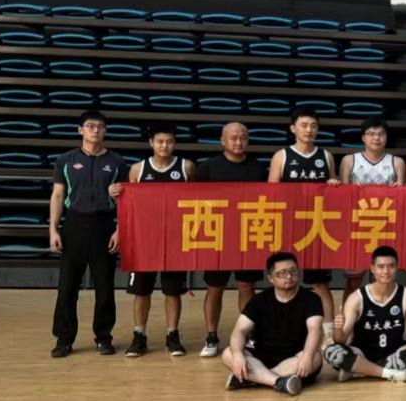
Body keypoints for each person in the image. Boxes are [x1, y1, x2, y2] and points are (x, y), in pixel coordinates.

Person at [49, 110, 127, 358]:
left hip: (104, 225)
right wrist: (53, 229)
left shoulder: (117, 162)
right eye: (90, 126)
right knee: (67, 287)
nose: (95, 130)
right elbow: (58, 195)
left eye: (100, 126)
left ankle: (103, 337)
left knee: (104, 286)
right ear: (80, 130)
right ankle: (64, 339)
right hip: (74, 225)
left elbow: (126, 200)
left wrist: (120, 229)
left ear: (105, 131)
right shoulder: (66, 160)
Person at [124, 122, 196, 358]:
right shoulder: (138, 169)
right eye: (160, 141)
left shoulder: (186, 167)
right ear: (151, 143)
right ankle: (139, 337)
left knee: (172, 291)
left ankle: (172, 336)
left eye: (169, 141)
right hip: (145, 239)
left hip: (175, 239)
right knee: (141, 291)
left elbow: (197, 202)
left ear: (175, 143)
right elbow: (129, 205)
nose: (165, 145)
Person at [194, 122, 265, 358]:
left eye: (243, 137)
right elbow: (193, 202)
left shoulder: (257, 168)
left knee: (247, 286)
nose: (238, 142)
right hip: (217, 237)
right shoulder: (208, 168)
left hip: (248, 235)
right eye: (233, 138)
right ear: (222, 141)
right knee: (215, 287)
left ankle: (248, 335)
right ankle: (211, 336)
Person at [268, 108, 338, 333]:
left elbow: (334, 189)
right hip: (289, 228)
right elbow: (271, 193)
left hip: (317, 228)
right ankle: (286, 327)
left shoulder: (326, 156)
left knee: (320, 283)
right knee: (286, 280)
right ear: (293, 128)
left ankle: (328, 333)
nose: (309, 130)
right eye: (304, 125)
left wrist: (334, 184)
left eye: (313, 126)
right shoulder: (282, 156)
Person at [221, 252, 324, 396]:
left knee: (315, 357)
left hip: (294, 357)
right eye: (282, 273)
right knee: (228, 353)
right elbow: (240, 330)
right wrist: (238, 354)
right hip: (261, 356)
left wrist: (307, 356)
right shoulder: (259, 300)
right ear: (271, 278)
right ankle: (279, 382)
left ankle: (253, 379)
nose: (289, 276)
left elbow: (315, 330)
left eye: (293, 271)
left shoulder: (311, 299)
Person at [324, 246, 406, 384]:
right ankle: (391, 373)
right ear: (372, 269)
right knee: (331, 351)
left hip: (394, 354)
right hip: (362, 354)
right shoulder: (356, 298)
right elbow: (341, 340)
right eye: (381, 267)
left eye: (391, 266)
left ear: (397, 268)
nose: (386, 271)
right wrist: (338, 329)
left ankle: (360, 370)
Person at [338, 116, 406, 299]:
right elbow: (342, 197)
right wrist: (351, 190)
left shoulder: (397, 162)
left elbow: (404, 199)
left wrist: (397, 191)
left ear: (386, 137)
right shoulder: (349, 161)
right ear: (363, 137)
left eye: (381, 134)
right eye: (371, 134)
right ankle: (347, 314)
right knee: (354, 280)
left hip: (385, 227)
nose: (376, 138)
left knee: (380, 277)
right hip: (357, 228)